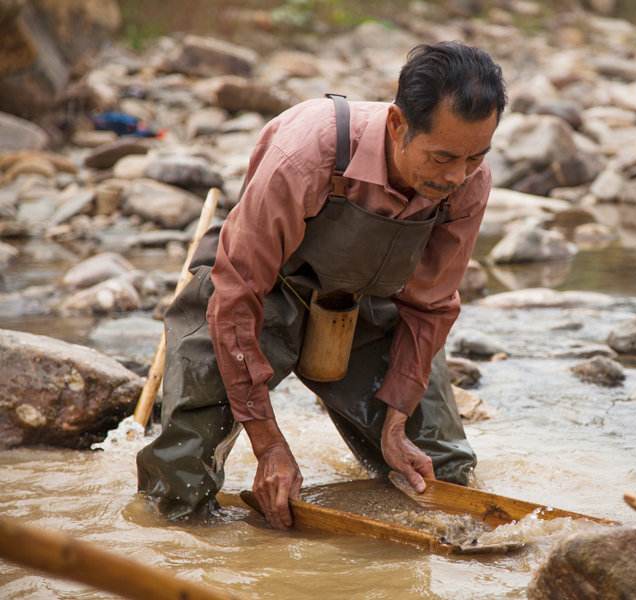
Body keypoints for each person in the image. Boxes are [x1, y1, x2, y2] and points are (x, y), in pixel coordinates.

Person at [136, 41, 506, 530]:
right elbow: (237, 295)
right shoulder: (307, 155)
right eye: (442, 158)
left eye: (475, 156)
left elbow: (431, 306)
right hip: (262, 297)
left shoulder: (466, 184)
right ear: (398, 126)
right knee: (179, 484)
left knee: (441, 474)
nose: (458, 175)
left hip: (371, 309)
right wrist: (269, 447)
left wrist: (396, 420)